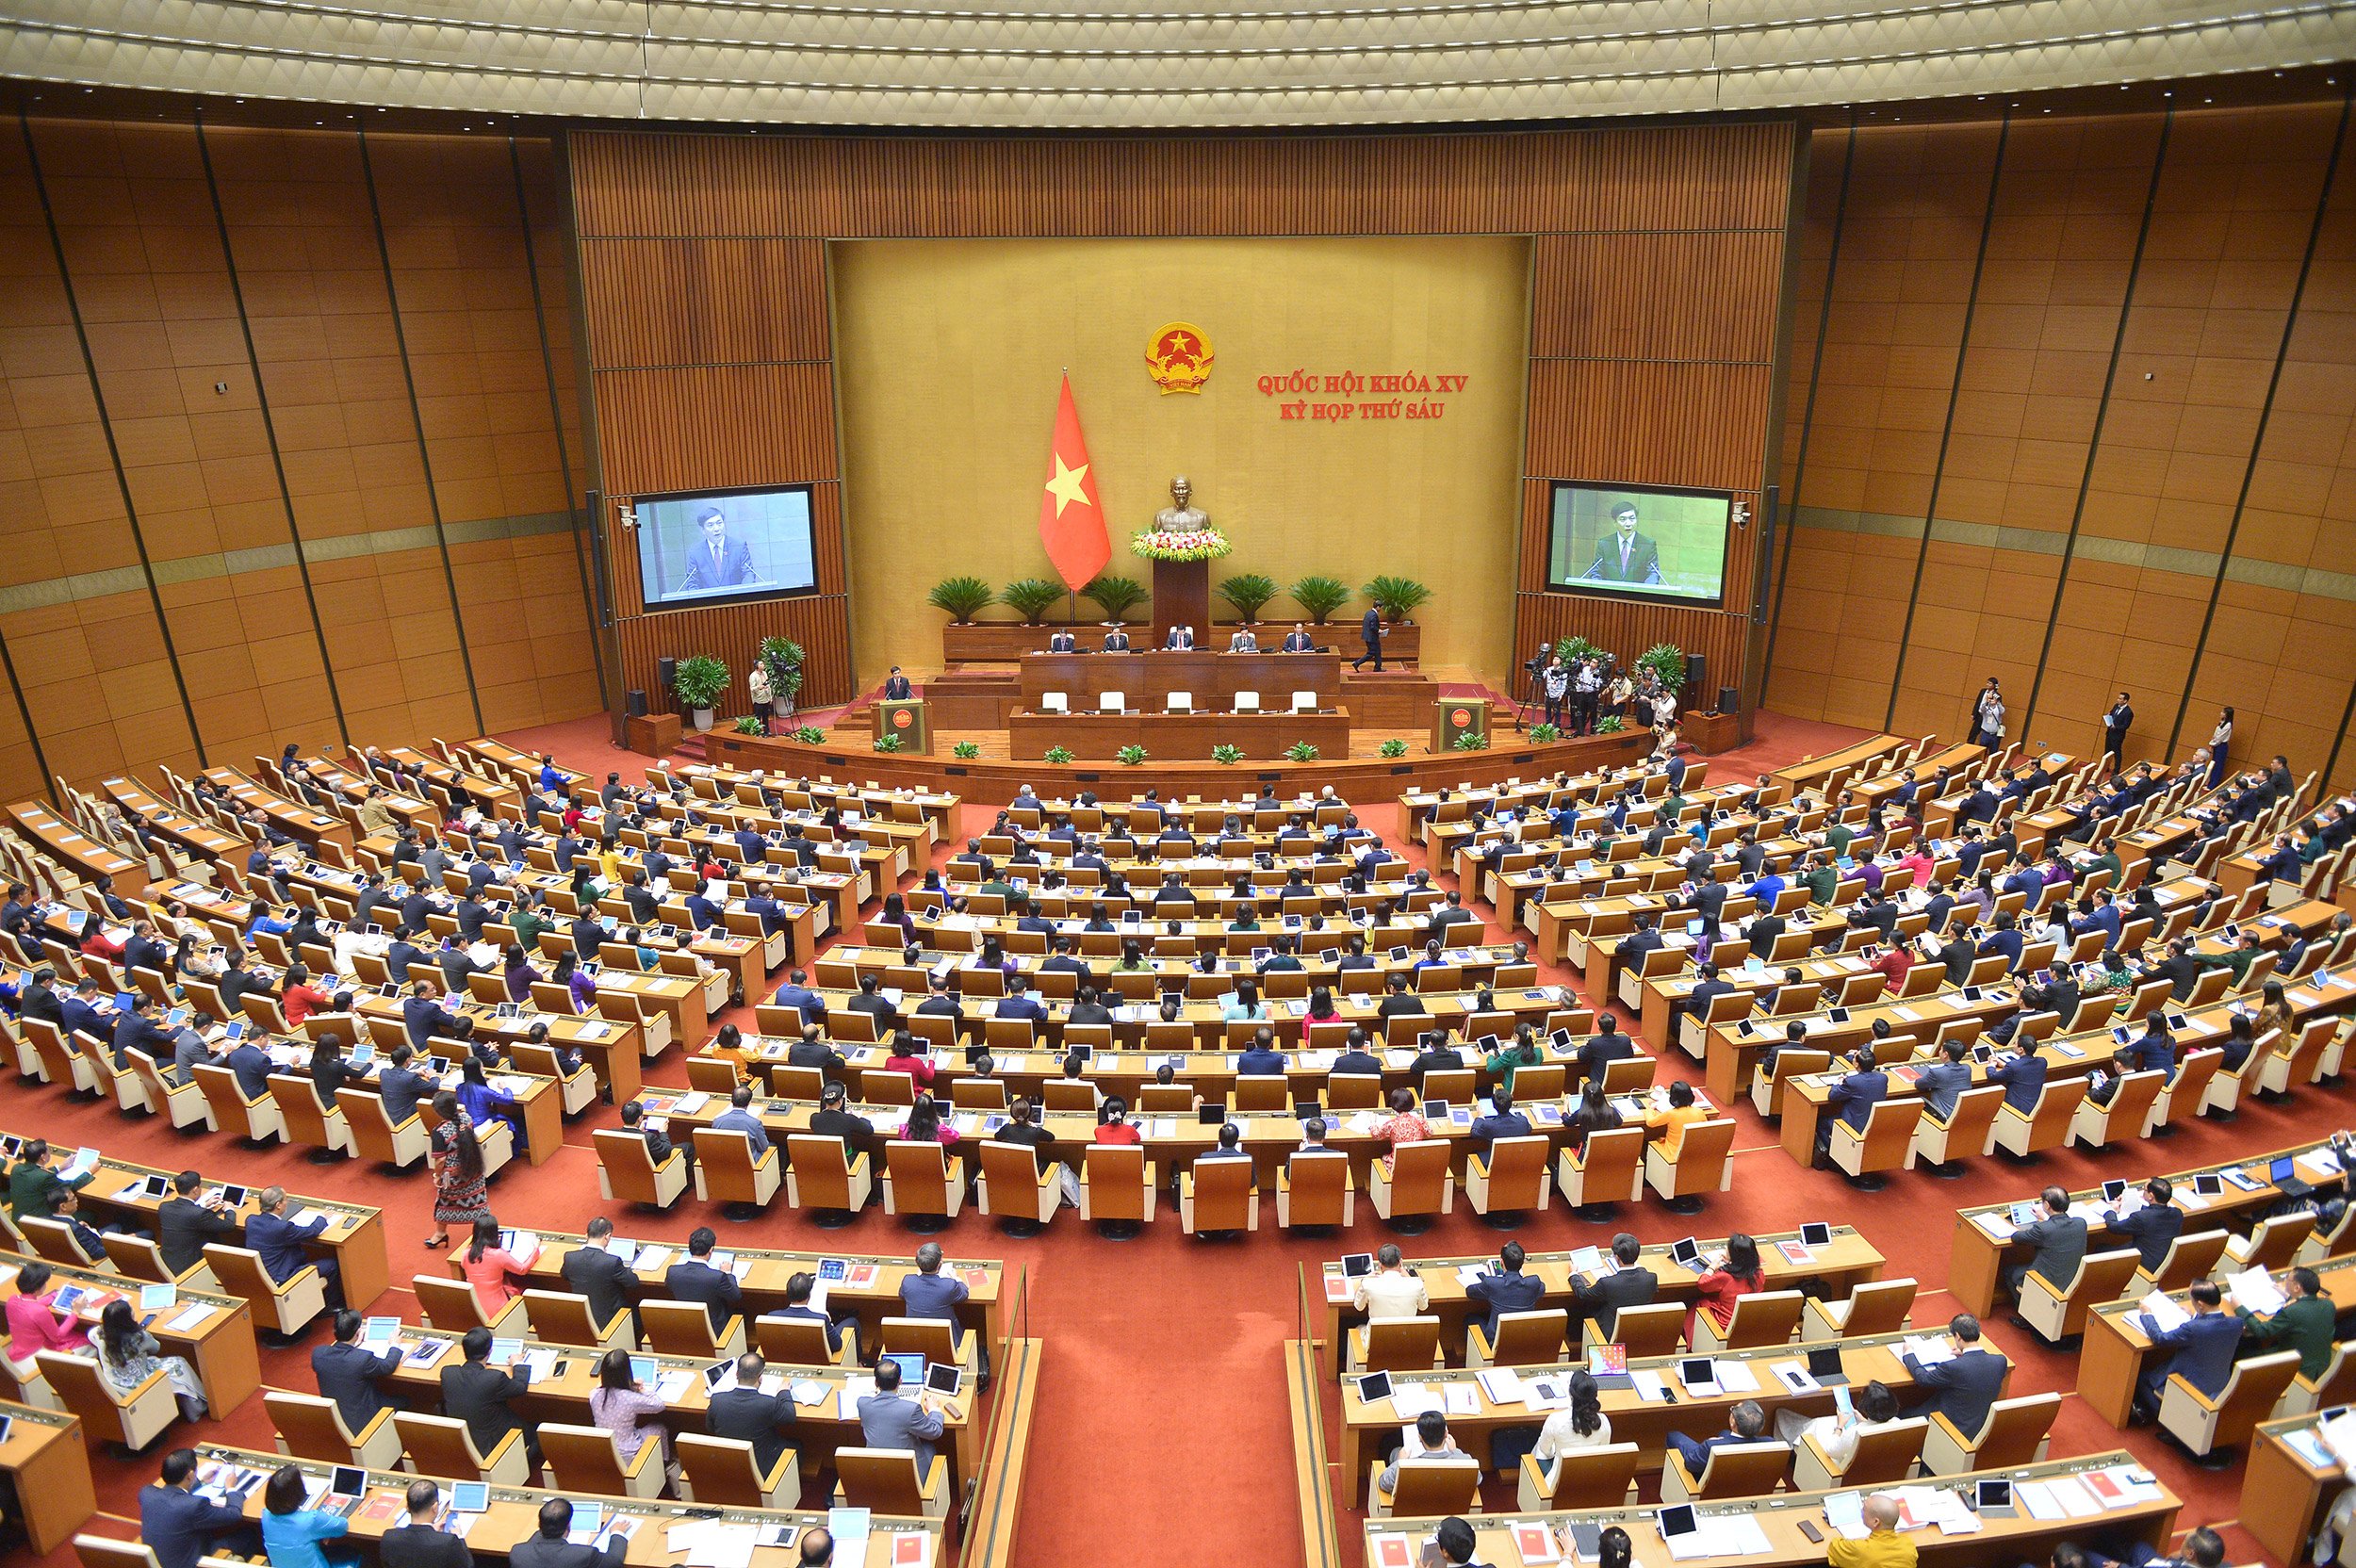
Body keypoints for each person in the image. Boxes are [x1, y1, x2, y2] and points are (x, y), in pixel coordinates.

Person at [2130, 1279, 2240, 1424]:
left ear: (2200, 1305)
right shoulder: (2236, 1323)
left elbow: (2160, 1339)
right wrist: (2194, 1316)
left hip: (2191, 1386)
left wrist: (2147, 1314)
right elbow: (2209, 1331)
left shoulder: (2193, 1329)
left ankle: (2170, 1422)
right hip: (2218, 1384)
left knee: (2141, 1379)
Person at [141, 1447, 262, 1568]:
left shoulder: (146, 1493)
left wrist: (199, 1482)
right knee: (249, 1534)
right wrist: (230, 1488)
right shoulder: (194, 1506)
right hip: (189, 1563)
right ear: (190, 1474)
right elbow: (234, 1514)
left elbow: (174, 1497)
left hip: (159, 1561)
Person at [97, 1296, 207, 1422]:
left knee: (155, 1361)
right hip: (140, 1385)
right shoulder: (140, 1337)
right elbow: (156, 1348)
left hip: (115, 1385)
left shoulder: (98, 1335)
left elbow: (92, 1335)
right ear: (128, 1320)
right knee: (179, 1362)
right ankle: (197, 1410)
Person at [441, 1325, 537, 1466]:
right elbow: (520, 1387)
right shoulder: (494, 1378)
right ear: (490, 1351)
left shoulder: (447, 1373)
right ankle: (514, 1466)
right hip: (491, 1442)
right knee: (538, 1432)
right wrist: (517, 1363)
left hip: (463, 1437)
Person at [1901, 1314, 2008, 1435]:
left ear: (1957, 1336)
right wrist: (1965, 1354)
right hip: (1979, 1425)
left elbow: (1923, 1379)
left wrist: (1908, 1353)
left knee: (1901, 1414)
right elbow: (1980, 1365)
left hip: (1949, 1427)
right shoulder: (2000, 1361)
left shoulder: (1953, 1367)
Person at [1775, 1378, 1905, 1474]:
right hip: (1875, 1467)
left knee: (1816, 1425)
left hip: (1842, 1470)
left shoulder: (1855, 1433)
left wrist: (1840, 1426)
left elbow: (1831, 1450)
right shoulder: (1898, 1423)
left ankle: (1787, 1441)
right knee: (1821, 1422)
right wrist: (1863, 1420)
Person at [250, 1184, 342, 1309]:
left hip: (262, 1277)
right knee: (331, 1265)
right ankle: (329, 1307)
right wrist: (322, 1218)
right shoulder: (282, 1228)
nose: (287, 1202)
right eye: (285, 1200)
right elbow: (312, 1232)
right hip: (283, 1279)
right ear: (278, 1205)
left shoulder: (251, 1221)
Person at [2237, 1264, 2336, 1379]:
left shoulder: (2291, 1312)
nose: (2285, 1281)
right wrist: (2289, 1296)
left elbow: (2262, 1331)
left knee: (2242, 1354)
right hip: (2321, 1366)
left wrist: (2240, 1308)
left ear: (2297, 1287)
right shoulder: (2329, 1305)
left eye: (2287, 1279)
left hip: (2298, 1369)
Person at [708, 1351, 800, 1472]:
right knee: (798, 1446)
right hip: (761, 1466)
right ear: (760, 1378)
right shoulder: (768, 1403)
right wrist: (784, 1392)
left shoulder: (717, 1399)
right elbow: (790, 1416)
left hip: (728, 1462)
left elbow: (710, 1428)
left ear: (736, 1374)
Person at [313, 1308, 401, 1429]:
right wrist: (395, 1344)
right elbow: (387, 1366)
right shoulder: (362, 1359)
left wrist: (355, 1346)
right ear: (358, 1333)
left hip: (334, 1417)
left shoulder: (318, 1354)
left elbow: (341, 1363)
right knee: (407, 1400)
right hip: (365, 1419)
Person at [857, 1354, 948, 1471]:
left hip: (877, 1469)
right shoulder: (911, 1409)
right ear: (900, 1380)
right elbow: (934, 1431)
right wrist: (934, 1409)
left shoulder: (862, 1404)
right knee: (929, 1448)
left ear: (876, 1383)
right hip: (908, 1472)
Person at [591, 1346, 674, 1473]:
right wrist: (642, 1389)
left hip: (603, 1450)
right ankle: (663, 1467)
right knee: (660, 1428)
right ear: (627, 1372)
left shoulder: (594, 1395)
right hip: (628, 1454)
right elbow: (659, 1405)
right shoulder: (631, 1399)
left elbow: (601, 1388)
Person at [2001, 1184, 2087, 1305]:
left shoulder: (2043, 1230)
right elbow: (2057, 1231)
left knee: (2010, 1271)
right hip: (2072, 1278)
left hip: (2047, 1281)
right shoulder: (2081, 1223)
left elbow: (2016, 1238)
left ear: (2047, 1205)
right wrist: (2046, 1219)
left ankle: (2026, 1316)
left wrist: (2044, 1222)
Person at [426, 1095, 492, 1251]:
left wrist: (437, 1176)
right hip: (473, 1168)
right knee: (478, 1202)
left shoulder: (438, 1132)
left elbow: (440, 1161)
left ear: (438, 1112)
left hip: (453, 1176)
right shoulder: (467, 1118)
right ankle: (483, 1234)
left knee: (444, 1201)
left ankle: (440, 1233)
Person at [260, 1462, 353, 1568]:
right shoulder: (310, 1520)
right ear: (297, 1492)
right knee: (352, 1552)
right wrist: (324, 1531)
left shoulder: (266, 1516)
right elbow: (342, 1527)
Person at [1530, 1367, 1612, 1488]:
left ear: (1571, 1393)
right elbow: (1602, 1453)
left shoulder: (1555, 1420)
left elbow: (1544, 1450)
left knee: (1538, 1449)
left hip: (1559, 1480)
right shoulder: (1604, 1422)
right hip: (1590, 1478)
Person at [6, 1259, 88, 1372]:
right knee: (88, 1342)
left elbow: (29, 1306)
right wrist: (75, 1312)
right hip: (36, 1354)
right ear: (39, 1287)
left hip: (18, 1351)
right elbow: (57, 1336)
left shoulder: (12, 1300)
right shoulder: (40, 1311)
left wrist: (55, 1294)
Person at [1376, 1407, 1480, 1495]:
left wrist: (1400, 1461)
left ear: (1420, 1437)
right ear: (1446, 1434)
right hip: (1448, 1504)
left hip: (1413, 1508)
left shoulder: (1405, 1466)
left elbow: (1383, 1483)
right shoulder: (1466, 1462)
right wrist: (1456, 1451)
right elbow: (1478, 1479)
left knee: (1389, 1444)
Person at [1665, 1397, 1776, 1478]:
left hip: (1711, 1484)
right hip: (1746, 1481)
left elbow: (1690, 1464)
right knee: (1724, 1433)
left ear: (1733, 1422)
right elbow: (1725, 1434)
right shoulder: (1770, 1444)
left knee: (1673, 1436)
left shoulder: (1712, 1446)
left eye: (1733, 1410)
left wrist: (1708, 1443)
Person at [1688, 1233, 1763, 1346]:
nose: (1725, 1249)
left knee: (1700, 1303)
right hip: (1747, 1318)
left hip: (1725, 1322)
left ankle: (1692, 1343)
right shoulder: (1759, 1274)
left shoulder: (1725, 1276)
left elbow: (1703, 1285)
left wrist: (1712, 1267)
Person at [157, 1169, 238, 1275]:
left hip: (168, 1260)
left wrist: (203, 1206)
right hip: (190, 1265)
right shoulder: (199, 1214)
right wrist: (229, 1209)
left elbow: (185, 1215)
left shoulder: (164, 1207)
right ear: (195, 1190)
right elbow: (228, 1226)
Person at [666, 1227, 744, 1335]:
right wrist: (727, 1273)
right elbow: (736, 1296)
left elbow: (670, 1286)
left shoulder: (672, 1272)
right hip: (716, 1331)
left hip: (685, 1326)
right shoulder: (717, 1277)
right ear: (711, 1250)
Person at [379, 1478, 471, 1568]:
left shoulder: (388, 1537)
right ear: (435, 1508)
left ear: (407, 1507)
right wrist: (459, 1537)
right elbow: (468, 1565)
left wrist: (430, 1531)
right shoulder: (448, 1541)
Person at [510, 1498, 627, 1568]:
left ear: (540, 1524)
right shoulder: (584, 1554)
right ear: (568, 1525)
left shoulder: (517, 1552)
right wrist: (617, 1533)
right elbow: (614, 1562)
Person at [1464, 1241, 1545, 1342]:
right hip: (1525, 1338)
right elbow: (1541, 1290)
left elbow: (1470, 1292)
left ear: (1501, 1262)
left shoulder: (1491, 1283)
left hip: (1496, 1342)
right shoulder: (1533, 1282)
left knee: (1470, 1318)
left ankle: (1476, 1354)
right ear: (1522, 1263)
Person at [456, 1215, 528, 1317]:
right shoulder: (498, 1254)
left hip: (473, 1306)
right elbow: (522, 1269)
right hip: (498, 1310)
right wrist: (535, 1253)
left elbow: (464, 1266)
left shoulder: (466, 1253)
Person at [1827, 1494, 1915, 1568]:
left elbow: (1834, 1547)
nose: (1861, 1511)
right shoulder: (1908, 1544)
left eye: (1864, 1509)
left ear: (1875, 1522)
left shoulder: (1860, 1549)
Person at [1584, 500, 1661, 584]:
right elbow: (1596, 571)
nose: (1628, 524)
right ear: (1615, 522)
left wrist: (1646, 592)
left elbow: (1653, 573)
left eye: (1632, 519)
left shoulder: (1648, 545)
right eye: (1623, 519)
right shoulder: (1604, 544)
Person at [680, 505, 755, 591]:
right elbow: (692, 583)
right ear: (703, 530)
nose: (716, 529)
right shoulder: (695, 553)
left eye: (719, 523)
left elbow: (748, 574)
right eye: (710, 525)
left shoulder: (739, 546)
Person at [1352, 1243, 1428, 1319]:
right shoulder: (1417, 1284)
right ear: (1400, 1262)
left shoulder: (1368, 1283)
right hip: (1407, 1331)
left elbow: (1358, 1306)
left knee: (1360, 1327)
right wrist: (1409, 1278)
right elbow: (1423, 1307)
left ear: (1380, 1265)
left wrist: (1364, 1279)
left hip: (1378, 1331)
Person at [1351, 603, 1383, 671]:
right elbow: (1372, 627)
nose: (1381, 609)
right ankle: (1357, 663)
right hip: (1372, 637)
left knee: (1377, 651)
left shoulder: (1368, 613)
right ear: (1377, 607)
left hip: (1367, 637)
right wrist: (1378, 630)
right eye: (1380, 607)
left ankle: (1378, 667)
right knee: (1371, 653)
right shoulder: (1374, 615)